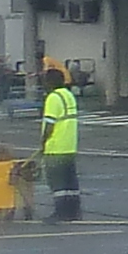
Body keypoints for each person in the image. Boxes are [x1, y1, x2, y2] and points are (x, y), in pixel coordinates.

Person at [38, 59, 82, 223]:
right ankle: (74, 212)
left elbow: (49, 125)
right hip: (70, 146)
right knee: (70, 182)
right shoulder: (68, 96)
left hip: (55, 147)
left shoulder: (53, 98)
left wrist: (43, 143)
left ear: (50, 82)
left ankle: (61, 213)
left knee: (57, 183)